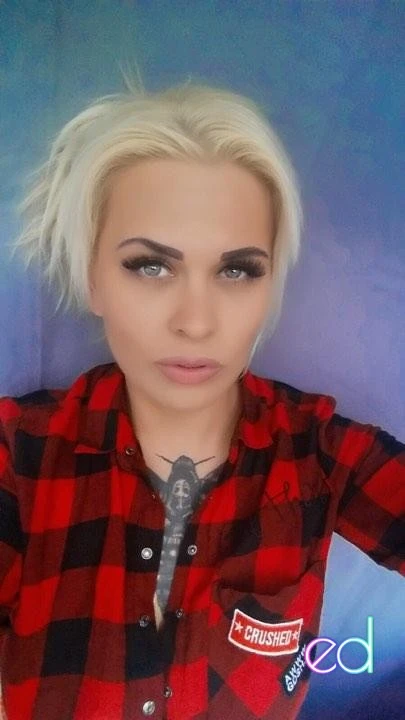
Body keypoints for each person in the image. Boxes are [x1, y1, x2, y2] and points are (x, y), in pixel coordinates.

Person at [0, 73, 404, 720]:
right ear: (93, 279)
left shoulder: (320, 457)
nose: (196, 322)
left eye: (237, 270)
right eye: (150, 266)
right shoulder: (18, 459)